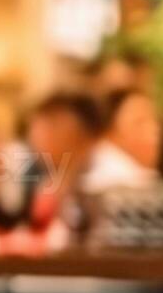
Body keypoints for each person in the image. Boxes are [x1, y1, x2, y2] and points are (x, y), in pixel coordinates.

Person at [23, 92, 103, 234]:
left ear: (66, 126)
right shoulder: (57, 177)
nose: (33, 138)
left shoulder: (102, 180)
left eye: (40, 127)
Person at [82, 89, 162, 193]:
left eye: (155, 121)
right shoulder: (111, 183)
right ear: (108, 132)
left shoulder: (142, 180)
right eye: (140, 122)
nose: (154, 130)